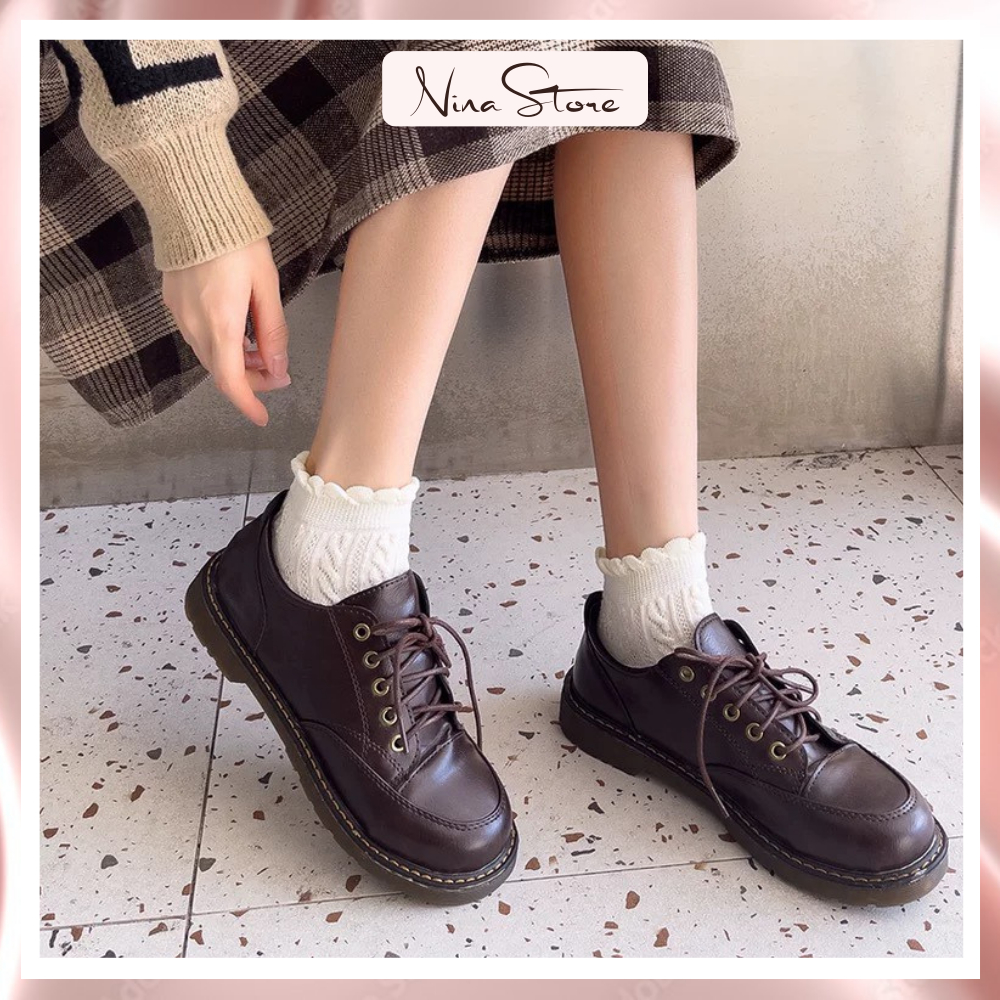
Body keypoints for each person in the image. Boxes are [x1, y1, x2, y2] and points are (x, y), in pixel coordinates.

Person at [41, 39, 947, 906]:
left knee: (629, 48)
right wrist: (190, 184)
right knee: (492, 28)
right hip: (153, 77)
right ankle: (328, 556)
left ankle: (655, 632)